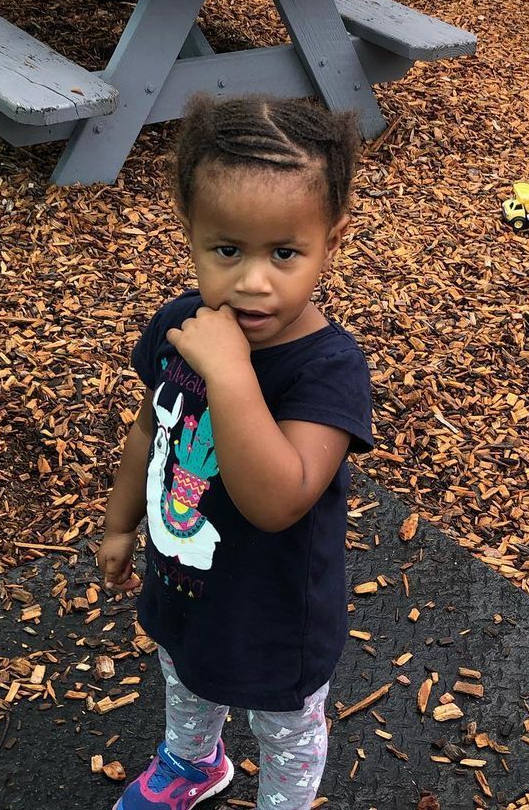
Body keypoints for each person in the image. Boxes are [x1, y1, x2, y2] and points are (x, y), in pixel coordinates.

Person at [97, 94, 374, 810]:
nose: (254, 280)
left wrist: (230, 374)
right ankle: (194, 763)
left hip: (275, 612)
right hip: (183, 577)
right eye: (227, 251)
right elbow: (147, 430)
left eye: (285, 253)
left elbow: (280, 501)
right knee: (184, 677)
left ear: (331, 242)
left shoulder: (328, 368)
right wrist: (120, 523)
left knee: (286, 731)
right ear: (189, 234)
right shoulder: (177, 325)